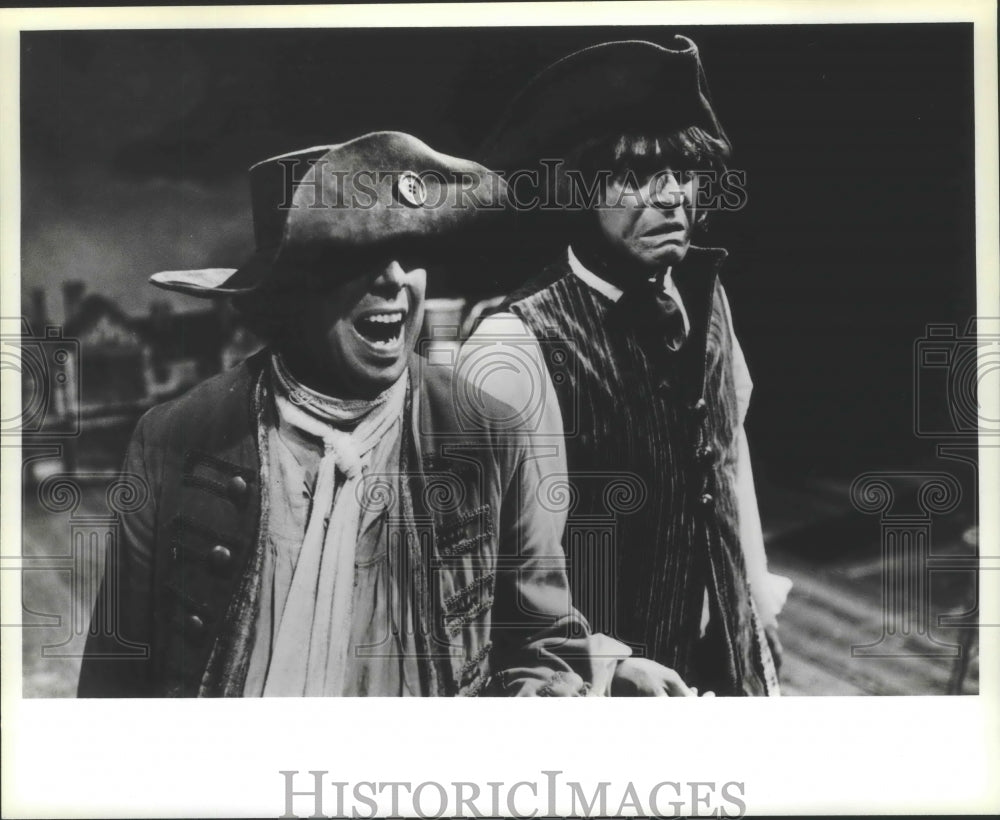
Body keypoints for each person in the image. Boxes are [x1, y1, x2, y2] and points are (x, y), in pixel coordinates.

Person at [77, 131, 612, 697]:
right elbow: (116, 677)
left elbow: (540, 645)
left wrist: (536, 695)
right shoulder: (173, 439)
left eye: (411, 252)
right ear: (285, 294)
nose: (395, 280)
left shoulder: (488, 433)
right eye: (356, 257)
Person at [461, 37, 791, 696]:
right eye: (637, 176)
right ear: (579, 187)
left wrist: (752, 599)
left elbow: (728, 456)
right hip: (593, 693)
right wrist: (605, 667)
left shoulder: (704, 296)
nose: (672, 198)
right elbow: (495, 577)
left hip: (715, 667)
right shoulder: (516, 346)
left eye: (686, 171)